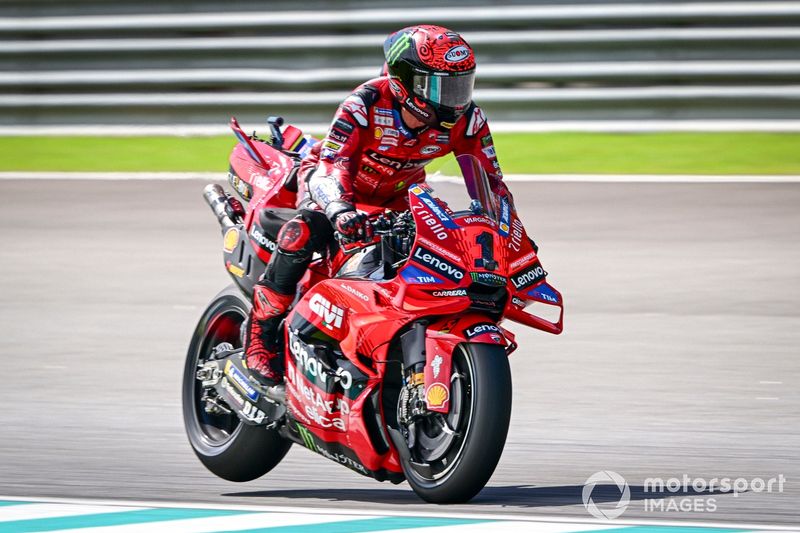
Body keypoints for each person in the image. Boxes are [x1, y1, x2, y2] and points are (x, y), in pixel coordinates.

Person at [244, 24, 512, 390]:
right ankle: (261, 334)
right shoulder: (367, 101)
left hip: (400, 200)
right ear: (405, 80)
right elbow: (332, 163)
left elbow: (491, 185)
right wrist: (339, 208)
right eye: (440, 86)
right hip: (336, 189)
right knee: (305, 230)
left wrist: (506, 233)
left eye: (460, 84)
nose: (454, 97)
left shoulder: (468, 120)